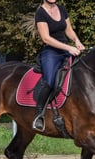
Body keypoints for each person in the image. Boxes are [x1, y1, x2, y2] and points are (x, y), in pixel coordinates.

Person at [32, 0, 85, 132]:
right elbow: (46, 38)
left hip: (66, 50)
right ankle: (39, 114)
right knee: (49, 82)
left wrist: (77, 41)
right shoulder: (40, 13)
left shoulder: (61, 9)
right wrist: (69, 48)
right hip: (51, 52)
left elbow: (69, 30)